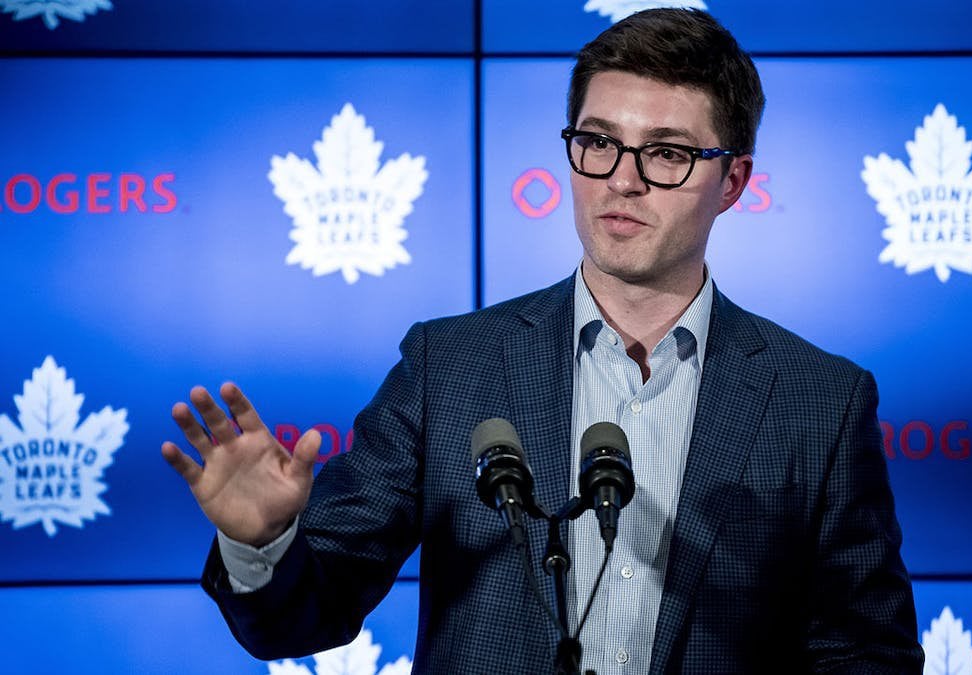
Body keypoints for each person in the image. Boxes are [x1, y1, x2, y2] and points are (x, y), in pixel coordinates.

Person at [162, 8, 923, 673]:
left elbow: (867, 653)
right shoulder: (446, 368)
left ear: (733, 181)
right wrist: (262, 543)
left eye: (666, 152)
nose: (622, 180)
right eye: (598, 141)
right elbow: (305, 617)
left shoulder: (820, 400)